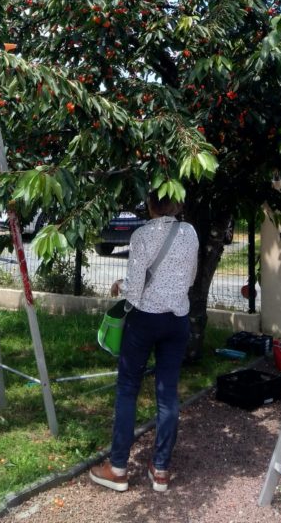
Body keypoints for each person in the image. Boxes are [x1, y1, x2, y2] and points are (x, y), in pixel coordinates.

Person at [90, 190, 199, 494]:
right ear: (177, 202)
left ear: (151, 205)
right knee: (167, 394)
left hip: (145, 319)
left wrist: (119, 285)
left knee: (127, 389)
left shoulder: (141, 236)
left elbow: (135, 290)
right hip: (177, 319)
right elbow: (189, 279)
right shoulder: (190, 233)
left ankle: (118, 468)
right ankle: (161, 469)